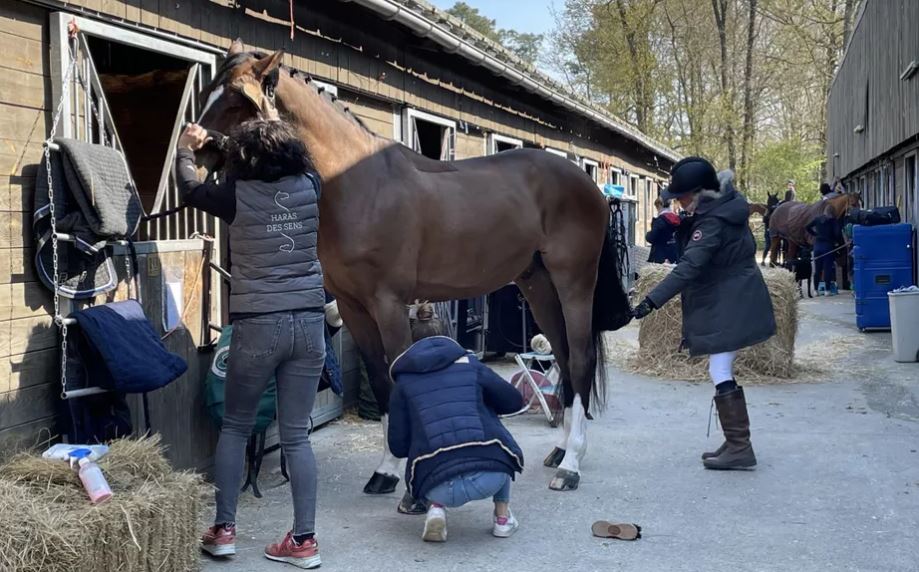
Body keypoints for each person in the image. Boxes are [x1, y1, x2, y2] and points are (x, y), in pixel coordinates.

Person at [177, 120, 326, 569]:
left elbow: (189, 190)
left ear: (241, 160)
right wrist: (222, 144)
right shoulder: (311, 184)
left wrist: (188, 150)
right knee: (297, 435)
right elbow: (271, 159)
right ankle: (304, 542)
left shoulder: (233, 195)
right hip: (309, 322)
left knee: (237, 427)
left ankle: (223, 532)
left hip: (258, 323)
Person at [632, 157, 776, 470]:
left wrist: (650, 301)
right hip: (736, 296)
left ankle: (740, 446)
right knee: (720, 369)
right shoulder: (722, 208)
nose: (680, 205)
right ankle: (736, 441)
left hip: (731, 301)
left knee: (719, 369)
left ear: (700, 193)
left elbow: (689, 267)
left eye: (682, 198)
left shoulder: (712, 222)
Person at [388, 304, 525, 542]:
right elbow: (513, 401)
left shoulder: (403, 383)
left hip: (436, 485)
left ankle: (436, 508)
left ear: (411, 344)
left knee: (427, 442)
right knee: (496, 436)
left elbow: (398, 447)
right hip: (489, 478)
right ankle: (502, 518)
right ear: (447, 335)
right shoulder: (471, 364)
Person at [806, 213, 843, 295]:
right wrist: (836, 241)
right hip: (828, 246)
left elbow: (807, 227)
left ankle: (815, 290)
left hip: (817, 246)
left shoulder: (817, 219)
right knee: (827, 269)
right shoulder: (832, 221)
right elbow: (837, 233)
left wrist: (815, 234)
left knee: (817, 269)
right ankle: (827, 290)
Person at [646, 196, 681, 263]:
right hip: (674, 252)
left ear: (659, 206)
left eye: (657, 208)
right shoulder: (677, 218)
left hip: (661, 254)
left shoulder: (660, 221)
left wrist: (647, 235)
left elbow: (652, 237)